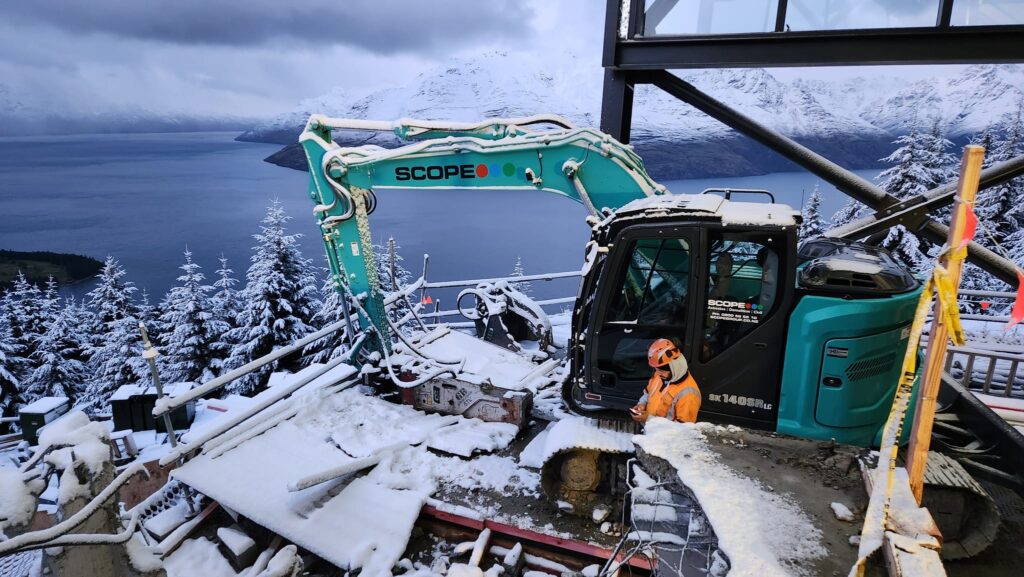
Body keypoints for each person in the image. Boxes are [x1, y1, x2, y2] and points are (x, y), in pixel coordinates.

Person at [630, 338, 701, 423]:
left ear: (675, 367)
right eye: (656, 369)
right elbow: (647, 394)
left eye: (661, 370)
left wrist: (648, 419)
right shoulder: (659, 376)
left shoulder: (689, 394)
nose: (658, 373)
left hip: (666, 436)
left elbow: (682, 430)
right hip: (650, 431)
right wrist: (641, 404)